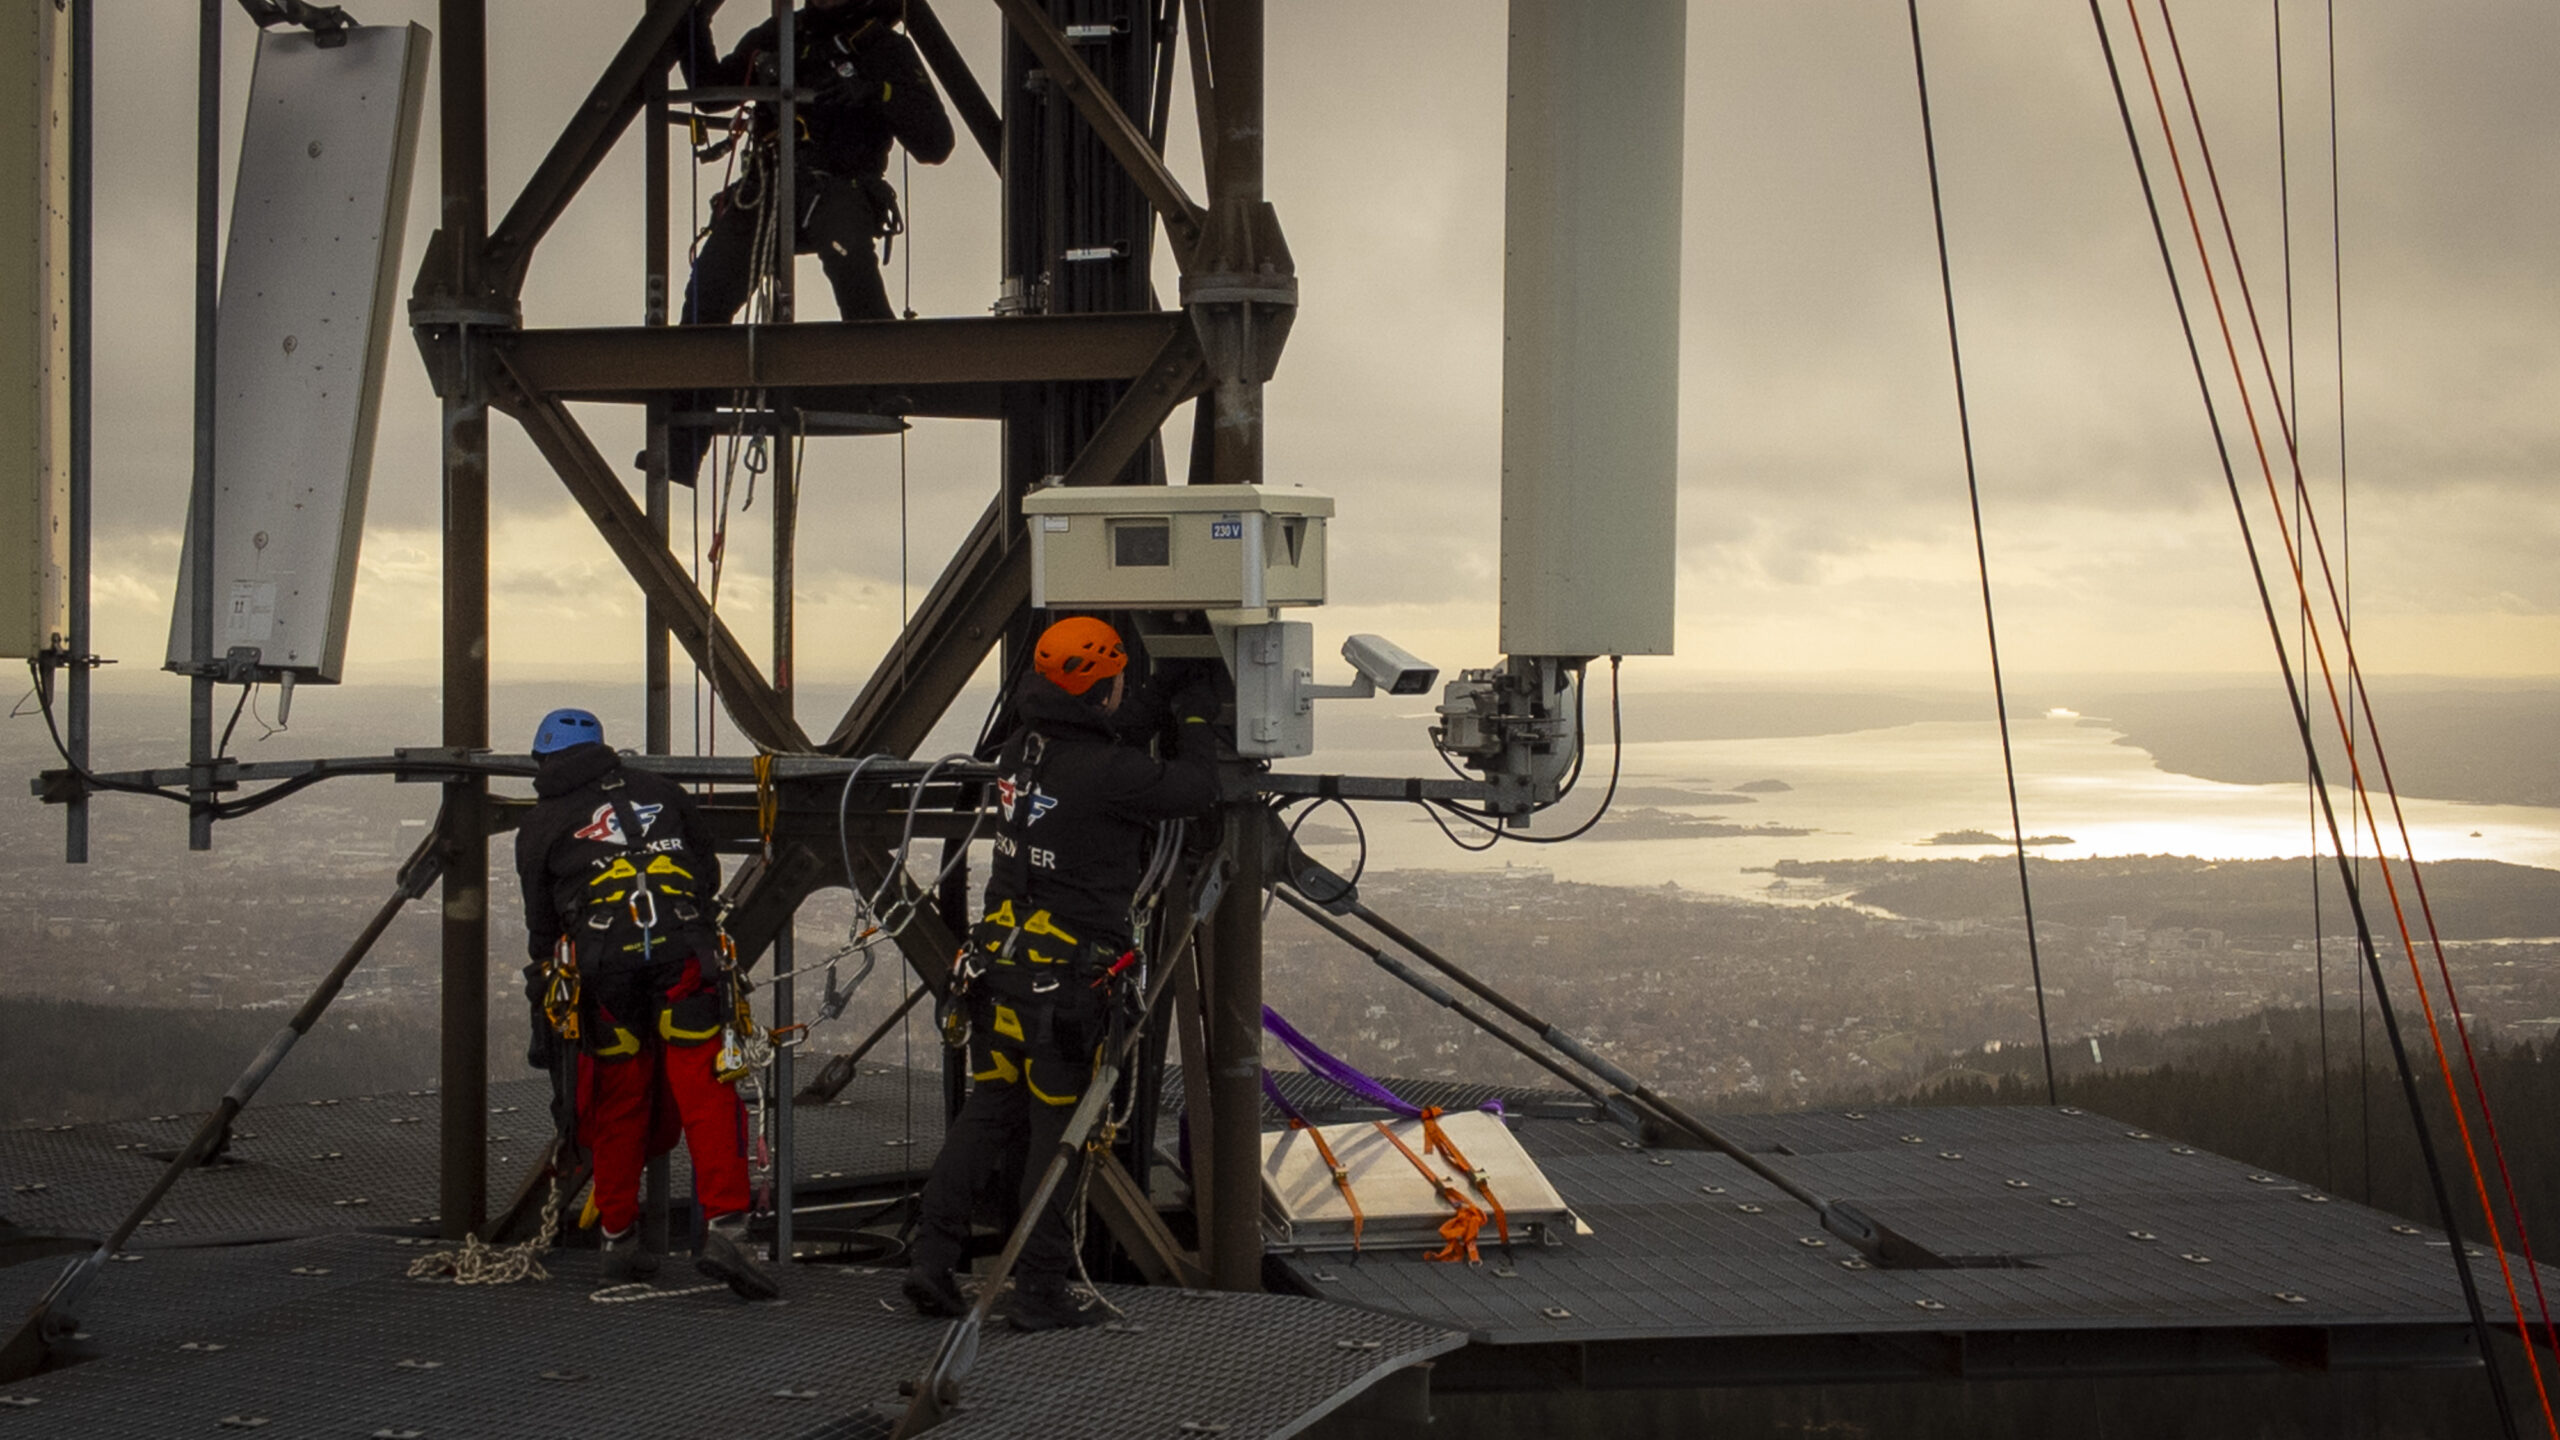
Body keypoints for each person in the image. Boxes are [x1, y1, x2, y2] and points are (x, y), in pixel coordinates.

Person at [904, 618, 1220, 1330]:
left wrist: (1160, 686)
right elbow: (1194, 787)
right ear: (1102, 683)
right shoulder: (1108, 774)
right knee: (1058, 1132)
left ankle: (931, 1260)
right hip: (1067, 987)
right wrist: (1195, 711)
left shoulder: (1025, 749)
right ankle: (1041, 1288)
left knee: (985, 1116)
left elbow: (1103, 737)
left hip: (1003, 972)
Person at [514, 707, 778, 1301]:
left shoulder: (542, 822)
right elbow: (704, 874)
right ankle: (727, 1231)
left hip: (605, 972)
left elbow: (542, 924)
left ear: (544, 760)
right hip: (683, 954)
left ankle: (618, 1238)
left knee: (619, 1098)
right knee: (707, 1089)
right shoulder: (662, 791)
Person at [663, 0, 957, 484]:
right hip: (769, 186)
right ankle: (681, 447)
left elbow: (935, 143)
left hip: (838, 183)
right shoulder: (781, 34)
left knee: (848, 256)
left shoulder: (880, 47)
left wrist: (875, 93)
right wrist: (691, 24)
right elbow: (712, 93)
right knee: (707, 294)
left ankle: (883, 380)